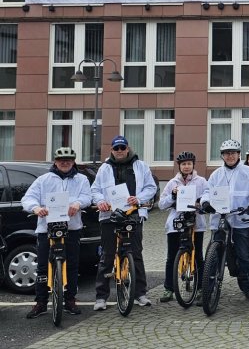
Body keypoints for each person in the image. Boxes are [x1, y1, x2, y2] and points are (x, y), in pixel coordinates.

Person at [23, 147, 92, 318]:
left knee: (72, 266)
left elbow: (87, 197)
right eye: (61, 160)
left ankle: (70, 300)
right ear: (55, 161)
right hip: (46, 228)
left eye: (68, 160)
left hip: (72, 228)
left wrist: (78, 203)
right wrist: (36, 208)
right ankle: (41, 303)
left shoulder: (81, 179)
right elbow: (28, 198)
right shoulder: (43, 180)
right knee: (42, 267)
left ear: (73, 161)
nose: (65, 162)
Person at [91, 135, 158, 311]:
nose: (119, 151)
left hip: (133, 213)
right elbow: (95, 190)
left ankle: (140, 294)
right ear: (112, 150)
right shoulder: (104, 168)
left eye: (122, 148)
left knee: (135, 254)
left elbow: (151, 187)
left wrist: (139, 198)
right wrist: (100, 201)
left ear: (127, 149)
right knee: (107, 255)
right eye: (116, 148)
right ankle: (101, 297)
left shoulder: (141, 166)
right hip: (109, 215)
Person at [199, 139, 249, 303]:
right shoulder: (216, 174)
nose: (230, 156)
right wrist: (205, 202)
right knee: (213, 256)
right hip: (220, 218)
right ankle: (208, 290)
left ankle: (248, 287)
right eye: (226, 154)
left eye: (233, 153)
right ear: (222, 156)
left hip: (241, 217)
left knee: (244, 255)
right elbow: (207, 191)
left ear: (238, 155)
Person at [157, 151, 208, 304]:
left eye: (189, 164)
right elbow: (161, 205)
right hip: (176, 224)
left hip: (195, 223)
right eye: (184, 164)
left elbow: (208, 195)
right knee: (172, 256)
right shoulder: (172, 183)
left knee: (198, 256)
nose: (186, 167)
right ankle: (169, 288)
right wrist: (173, 196)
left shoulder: (201, 181)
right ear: (179, 166)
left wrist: (202, 202)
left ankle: (201, 288)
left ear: (193, 165)